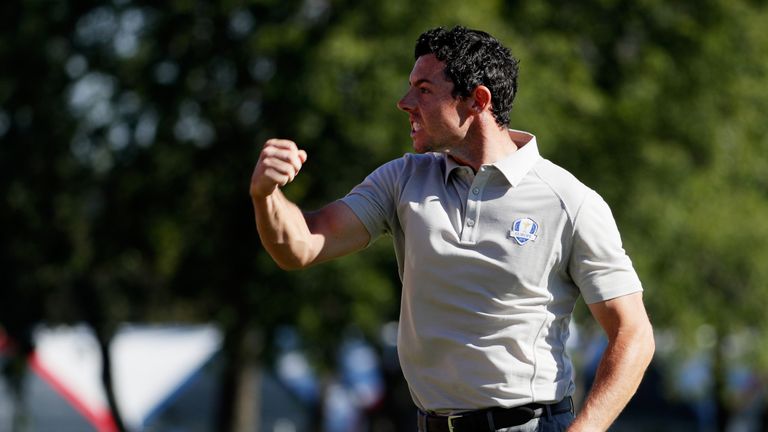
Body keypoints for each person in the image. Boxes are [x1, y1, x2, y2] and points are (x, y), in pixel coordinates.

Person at [250, 26, 655, 432]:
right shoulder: (402, 179)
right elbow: (301, 245)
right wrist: (266, 195)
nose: (404, 102)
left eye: (424, 90)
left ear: (478, 100)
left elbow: (633, 333)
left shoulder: (569, 200)